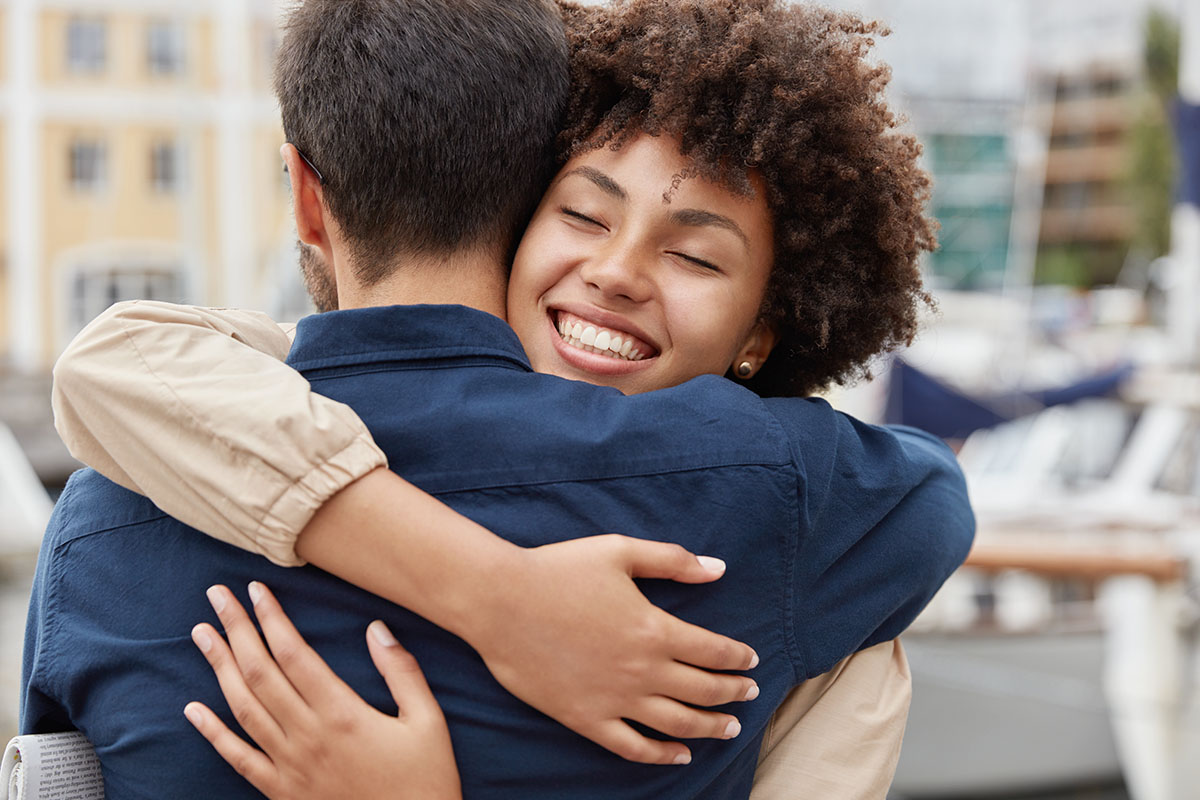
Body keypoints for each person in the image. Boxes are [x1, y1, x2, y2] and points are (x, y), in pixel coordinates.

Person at [27, 0, 973, 797]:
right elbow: (935, 504)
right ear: (521, 195)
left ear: (308, 198)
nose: (615, 273)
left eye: (692, 254)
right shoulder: (791, 506)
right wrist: (496, 597)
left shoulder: (104, 511)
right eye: (587, 213)